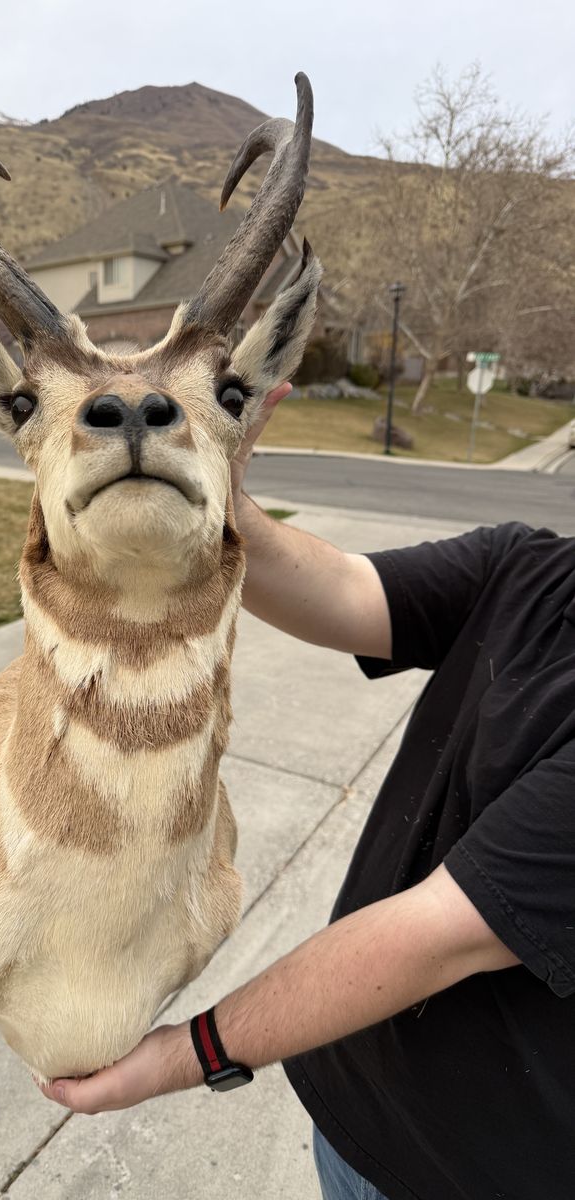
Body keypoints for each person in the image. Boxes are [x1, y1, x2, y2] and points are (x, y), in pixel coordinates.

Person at [37, 385, 575, 1200]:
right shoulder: (536, 570)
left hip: (474, 1176)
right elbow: (348, 594)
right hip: (354, 1119)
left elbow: (439, 933)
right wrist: (216, 493)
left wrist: (190, 1054)